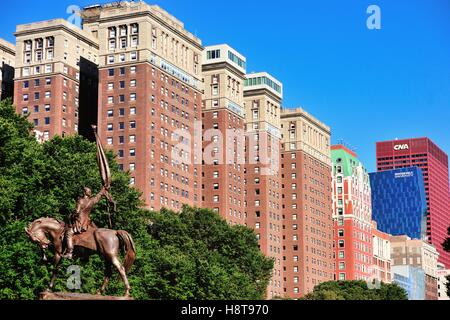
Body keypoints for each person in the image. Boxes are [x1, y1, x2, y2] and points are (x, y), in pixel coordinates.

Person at [62, 186, 109, 259]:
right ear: (85, 192)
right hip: (87, 222)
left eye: (90, 191)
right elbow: (98, 197)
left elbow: (77, 212)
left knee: (69, 233)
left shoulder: (80, 201)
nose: (90, 193)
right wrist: (102, 191)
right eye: (89, 191)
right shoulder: (91, 200)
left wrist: (72, 215)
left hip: (80, 222)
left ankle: (69, 252)